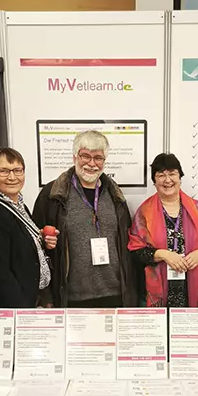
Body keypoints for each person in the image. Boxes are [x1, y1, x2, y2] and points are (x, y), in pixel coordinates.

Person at [32, 130, 137, 308]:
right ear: (74, 157)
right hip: (71, 297)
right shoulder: (52, 195)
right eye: (85, 156)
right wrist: (46, 296)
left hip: (115, 295)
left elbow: (126, 247)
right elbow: (37, 249)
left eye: (98, 158)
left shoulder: (115, 196)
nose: (92, 163)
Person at [128, 153, 198, 307]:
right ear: (154, 181)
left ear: (180, 177)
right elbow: (136, 251)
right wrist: (164, 255)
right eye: (161, 175)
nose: (167, 180)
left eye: (172, 174)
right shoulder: (144, 212)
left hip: (192, 288)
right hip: (158, 290)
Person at [0, 147, 57, 308]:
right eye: (3, 171)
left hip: (33, 298)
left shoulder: (19, 205)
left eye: (17, 170)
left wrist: (41, 241)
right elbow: (1, 271)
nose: (12, 177)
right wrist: (21, 311)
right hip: (18, 304)